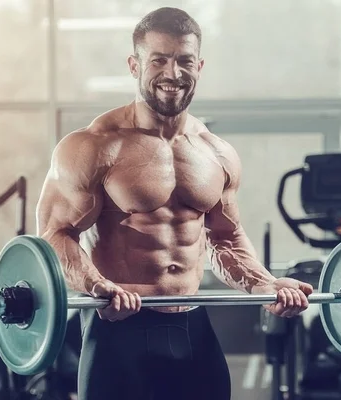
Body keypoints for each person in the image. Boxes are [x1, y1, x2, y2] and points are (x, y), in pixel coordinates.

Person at [36, 7, 313, 400]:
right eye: (159, 60)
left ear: (199, 66)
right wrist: (97, 286)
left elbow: (226, 238)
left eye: (184, 61)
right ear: (134, 65)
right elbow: (54, 234)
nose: (172, 73)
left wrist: (266, 286)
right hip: (118, 329)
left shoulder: (216, 153)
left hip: (192, 325)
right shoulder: (94, 145)